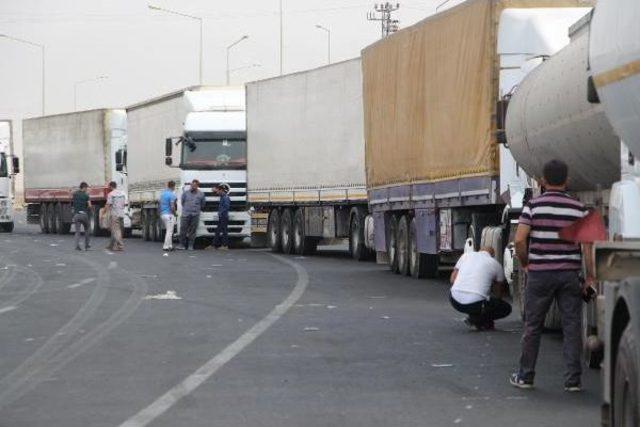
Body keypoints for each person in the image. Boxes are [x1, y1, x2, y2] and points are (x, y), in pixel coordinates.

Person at [510, 159, 592, 392]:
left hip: (540, 275)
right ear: (567, 180)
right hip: (568, 275)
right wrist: (590, 277)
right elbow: (587, 246)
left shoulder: (533, 206)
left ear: (542, 181)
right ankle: (573, 380)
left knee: (533, 327)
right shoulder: (577, 209)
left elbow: (519, 239)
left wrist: (526, 263)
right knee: (571, 327)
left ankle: (525, 376)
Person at [449, 247, 511, 331]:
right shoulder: (495, 264)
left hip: (454, 300)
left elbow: (452, 279)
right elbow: (498, 294)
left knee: (476, 298)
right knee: (505, 308)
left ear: (479, 251)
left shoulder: (466, 256)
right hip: (476, 304)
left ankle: (475, 317)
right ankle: (479, 319)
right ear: (492, 255)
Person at [177, 179, 205, 250]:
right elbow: (182, 202)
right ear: (191, 185)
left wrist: (197, 209)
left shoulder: (201, 194)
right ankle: (182, 245)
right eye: (192, 185)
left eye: (195, 186)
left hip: (195, 215)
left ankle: (190, 245)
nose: (193, 187)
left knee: (193, 231)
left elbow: (203, 204)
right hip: (185, 214)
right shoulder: (185, 193)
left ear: (197, 186)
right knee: (183, 230)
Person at [106, 181, 126, 252]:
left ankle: (120, 246)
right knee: (117, 230)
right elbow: (124, 204)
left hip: (115, 214)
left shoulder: (110, 194)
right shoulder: (123, 193)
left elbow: (109, 204)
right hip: (121, 213)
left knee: (116, 230)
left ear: (111, 186)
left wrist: (106, 214)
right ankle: (111, 245)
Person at [72, 182, 92, 251]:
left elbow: (71, 197)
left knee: (77, 231)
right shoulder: (86, 195)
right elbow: (90, 205)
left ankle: (77, 246)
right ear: (84, 187)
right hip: (84, 215)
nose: (87, 189)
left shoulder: (75, 194)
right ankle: (87, 246)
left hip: (76, 215)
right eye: (86, 188)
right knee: (87, 229)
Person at [159, 180, 177, 251]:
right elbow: (172, 206)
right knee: (169, 231)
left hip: (163, 214)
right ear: (173, 186)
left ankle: (170, 246)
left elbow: (160, 204)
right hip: (169, 214)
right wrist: (175, 213)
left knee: (169, 230)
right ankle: (165, 246)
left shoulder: (163, 194)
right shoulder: (172, 195)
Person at [213, 183, 231, 250]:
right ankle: (214, 244)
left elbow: (226, 207)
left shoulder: (225, 197)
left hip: (224, 216)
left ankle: (225, 245)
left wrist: (220, 212)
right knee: (219, 230)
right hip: (222, 216)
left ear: (221, 190)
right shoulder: (222, 197)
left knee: (224, 231)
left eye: (218, 191)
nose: (217, 192)